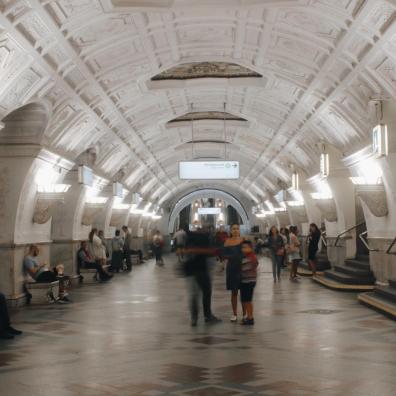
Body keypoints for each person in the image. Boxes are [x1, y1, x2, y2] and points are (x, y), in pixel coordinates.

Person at [183, 229, 221, 327]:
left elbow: (184, 252)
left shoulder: (189, 239)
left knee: (194, 294)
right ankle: (207, 316)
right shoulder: (204, 239)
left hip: (190, 270)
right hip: (201, 270)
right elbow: (209, 253)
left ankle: (194, 318)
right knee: (206, 292)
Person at [223, 223, 244, 322]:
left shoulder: (243, 240)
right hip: (232, 268)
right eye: (233, 229)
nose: (235, 230)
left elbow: (248, 252)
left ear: (239, 230)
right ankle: (235, 313)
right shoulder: (227, 241)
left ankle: (244, 313)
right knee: (234, 292)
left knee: (244, 291)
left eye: (237, 229)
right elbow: (224, 254)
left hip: (243, 268)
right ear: (231, 231)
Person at [240, 241, 259, 325]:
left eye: (246, 247)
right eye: (242, 247)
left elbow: (243, 268)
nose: (244, 249)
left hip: (249, 281)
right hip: (245, 281)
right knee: (246, 300)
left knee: (247, 300)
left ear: (251, 248)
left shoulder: (251, 257)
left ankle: (250, 318)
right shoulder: (246, 256)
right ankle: (249, 317)